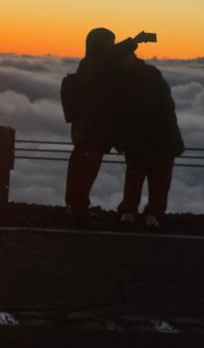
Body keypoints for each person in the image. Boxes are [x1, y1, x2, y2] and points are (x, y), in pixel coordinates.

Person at [60, 28, 153, 226]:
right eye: (110, 41)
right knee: (84, 171)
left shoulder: (93, 66)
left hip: (92, 130)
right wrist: (134, 41)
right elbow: (111, 57)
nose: (112, 46)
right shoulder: (93, 65)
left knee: (86, 171)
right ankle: (78, 212)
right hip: (90, 130)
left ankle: (79, 209)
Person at [113, 53, 184, 231]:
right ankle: (150, 213)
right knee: (155, 178)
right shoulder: (151, 77)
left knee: (139, 176)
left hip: (149, 137)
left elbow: (122, 113)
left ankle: (134, 211)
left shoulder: (126, 80)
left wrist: (121, 138)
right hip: (157, 137)